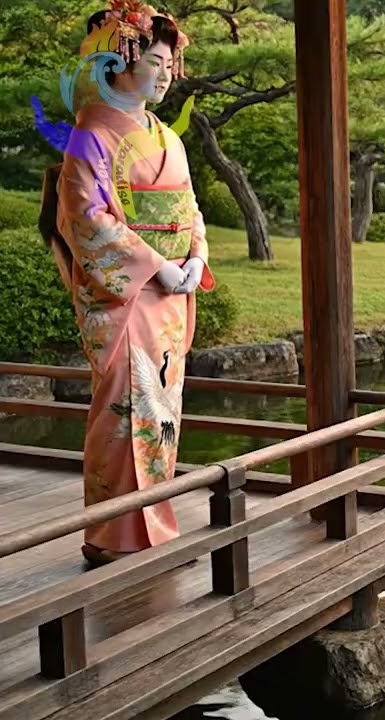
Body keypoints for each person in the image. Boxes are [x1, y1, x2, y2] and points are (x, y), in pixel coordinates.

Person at [52, 2, 214, 568]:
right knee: (126, 408)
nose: (166, 72)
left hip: (170, 296)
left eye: (170, 62)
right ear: (116, 62)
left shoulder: (169, 135)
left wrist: (195, 257)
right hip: (128, 295)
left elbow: (189, 207)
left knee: (162, 410)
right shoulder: (90, 134)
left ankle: (156, 529)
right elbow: (86, 218)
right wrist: (156, 265)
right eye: (154, 59)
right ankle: (112, 537)